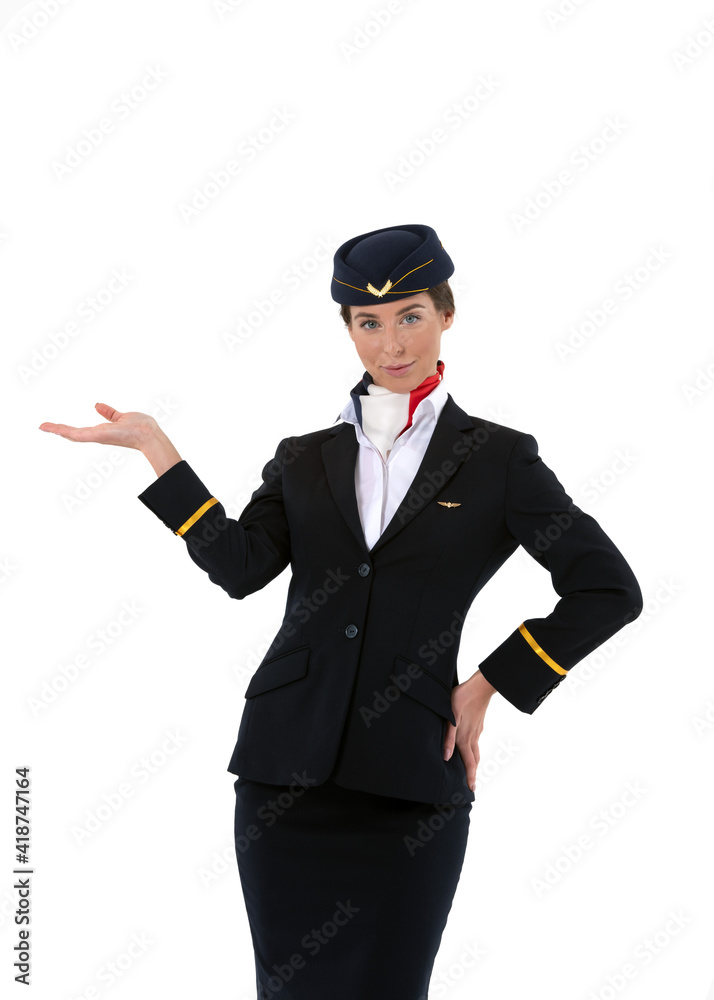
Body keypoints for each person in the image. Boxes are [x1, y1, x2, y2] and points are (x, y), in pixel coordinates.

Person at [40, 223, 643, 999]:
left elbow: (609, 589)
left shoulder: (500, 459)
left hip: (411, 781)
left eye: (411, 316)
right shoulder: (303, 456)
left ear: (446, 315)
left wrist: (487, 684)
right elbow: (240, 566)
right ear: (348, 329)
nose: (391, 343)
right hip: (281, 778)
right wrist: (161, 452)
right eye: (369, 323)